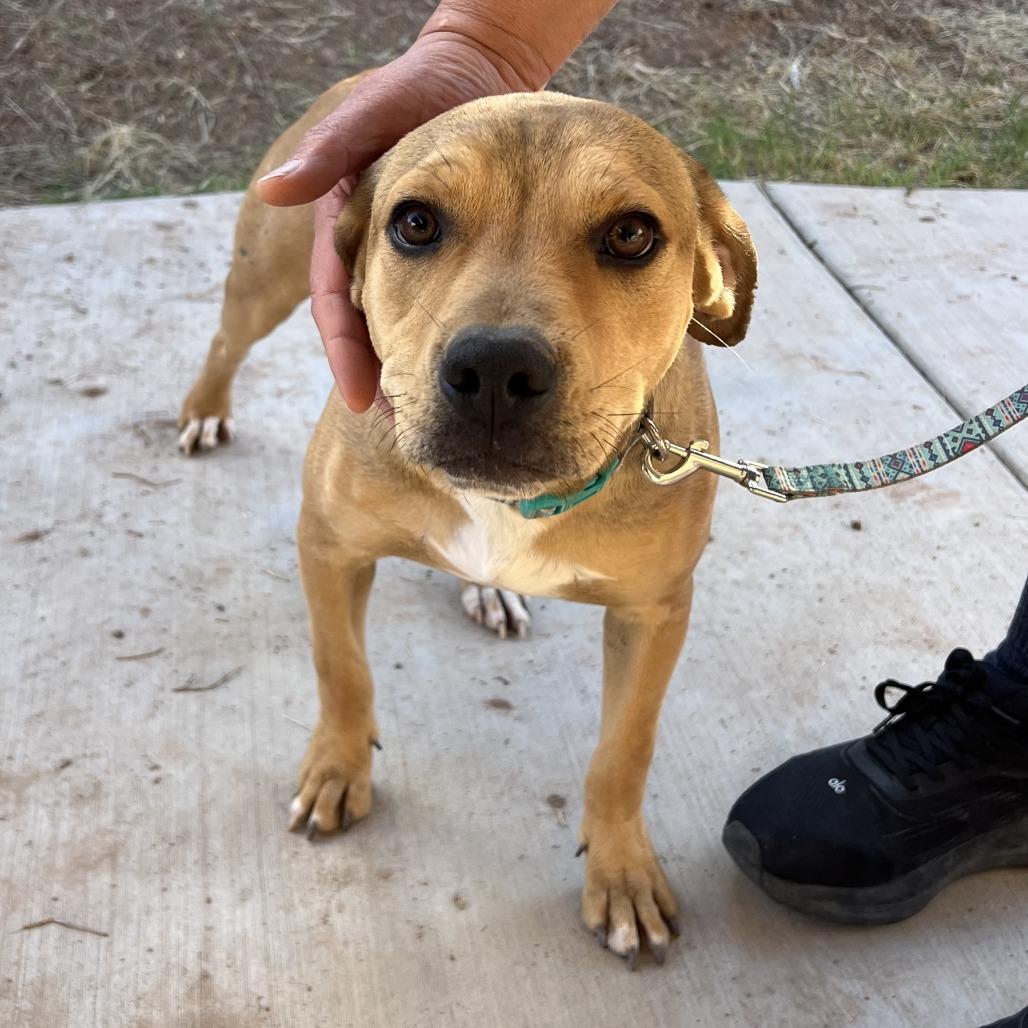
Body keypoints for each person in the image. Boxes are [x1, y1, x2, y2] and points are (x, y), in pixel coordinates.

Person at [257, 3, 1028, 1023]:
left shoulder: (669, 455)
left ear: (711, 281)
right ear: (354, 255)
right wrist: (341, 726)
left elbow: (649, 608)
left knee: (646, 598)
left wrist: (617, 812)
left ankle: (610, 818)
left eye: (623, 238)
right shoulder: (369, 445)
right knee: (247, 333)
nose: (497, 343)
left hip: (617, 494)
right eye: (421, 225)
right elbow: (328, 543)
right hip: (398, 454)